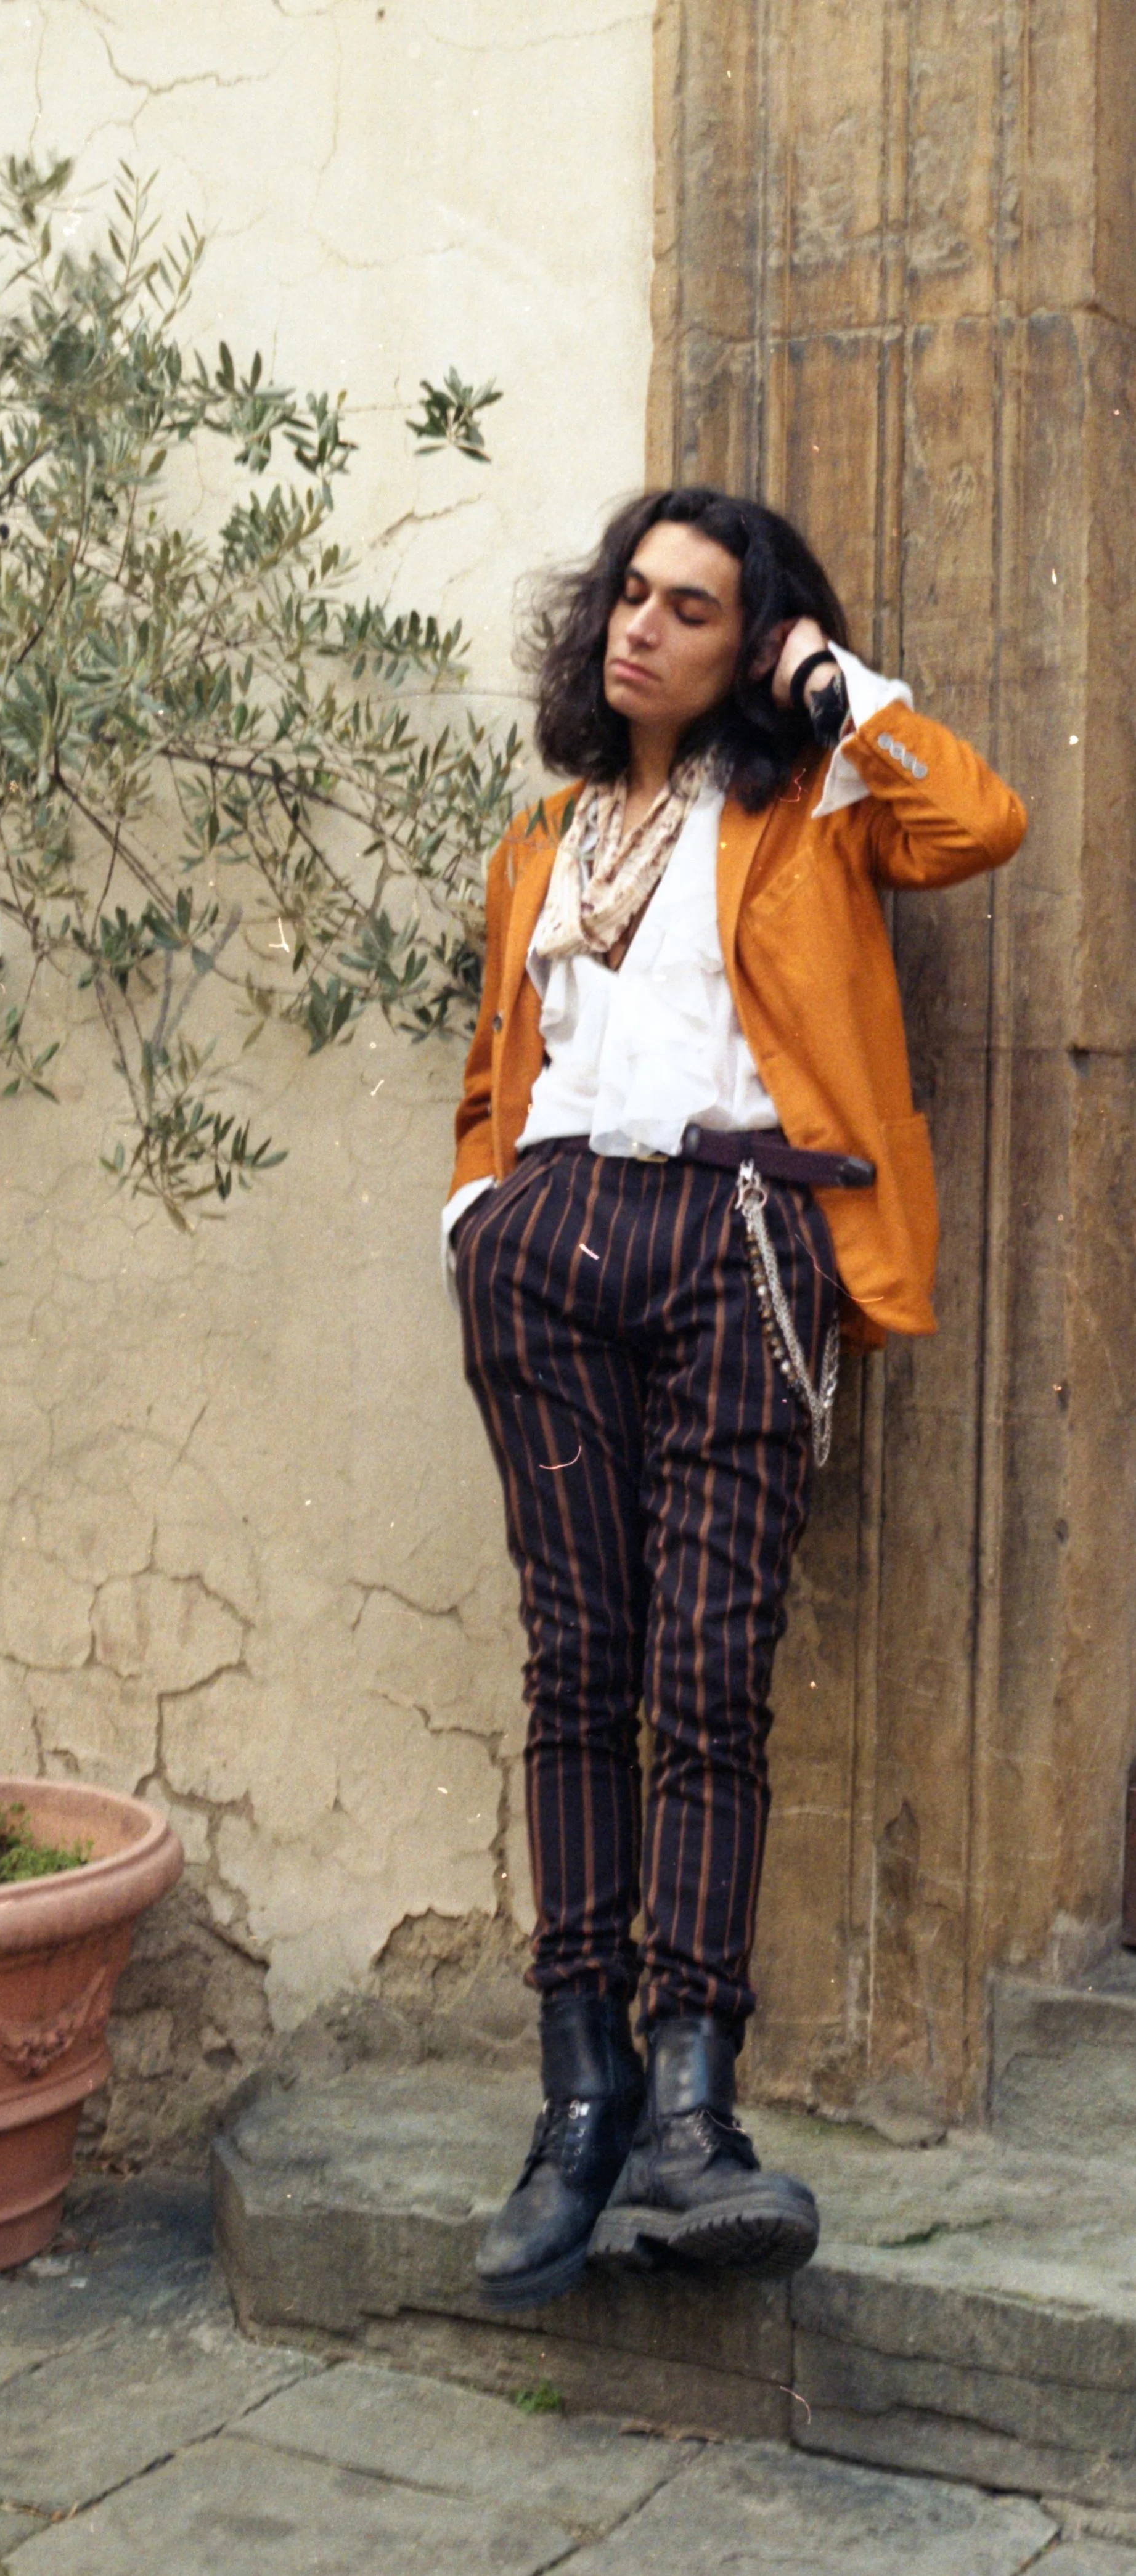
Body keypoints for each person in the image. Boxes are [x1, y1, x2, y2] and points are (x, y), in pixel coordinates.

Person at [446, 486, 1025, 2311]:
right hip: (549, 1245)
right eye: (629, 594)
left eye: (693, 607)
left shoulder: (811, 812)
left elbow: (981, 820)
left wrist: (820, 679)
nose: (642, 626)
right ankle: (576, 2097)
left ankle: (692, 2106)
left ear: (747, 640)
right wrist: (478, 1211)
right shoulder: (541, 839)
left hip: (741, 1230)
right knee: (575, 1669)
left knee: (705, 1673)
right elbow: (494, 1063)